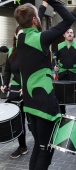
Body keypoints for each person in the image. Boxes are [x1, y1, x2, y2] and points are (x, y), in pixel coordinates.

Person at [14, 1, 75, 169]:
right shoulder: (41, 38)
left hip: (30, 103)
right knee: (46, 150)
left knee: (39, 146)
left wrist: (40, 8)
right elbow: (69, 18)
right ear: (34, 20)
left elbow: (32, 22)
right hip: (43, 102)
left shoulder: (21, 37)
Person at [0, 26, 28, 159]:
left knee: (33, 122)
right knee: (18, 119)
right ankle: (22, 146)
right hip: (16, 88)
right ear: (15, 35)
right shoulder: (11, 51)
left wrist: (27, 86)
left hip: (30, 88)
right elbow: (7, 71)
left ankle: (42, 144)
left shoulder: (31, 50)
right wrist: (5, 84)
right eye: (20, 34)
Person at [54, 28, 76, 118]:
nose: (70, 34)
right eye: (67, 32)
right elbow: (55, 58)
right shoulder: (59, 46)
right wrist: (56, 67)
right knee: (60, 96)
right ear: (64, 35)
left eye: (71, 32)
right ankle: (62, 115)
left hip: (75, 74)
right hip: (62, 74)